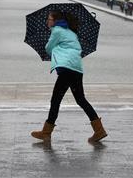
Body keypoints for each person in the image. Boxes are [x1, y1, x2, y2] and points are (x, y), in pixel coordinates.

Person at [30, 9, 108, 144]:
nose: (47, 21)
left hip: (66, 68)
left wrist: (53, 47)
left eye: (49, 19)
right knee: (80, 99)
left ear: (54, 21)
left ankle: (46, 132)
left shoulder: (57, 31)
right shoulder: (71, 32)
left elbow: (48, 48)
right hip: (77, 68)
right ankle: (99, 130)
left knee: (55, 100)